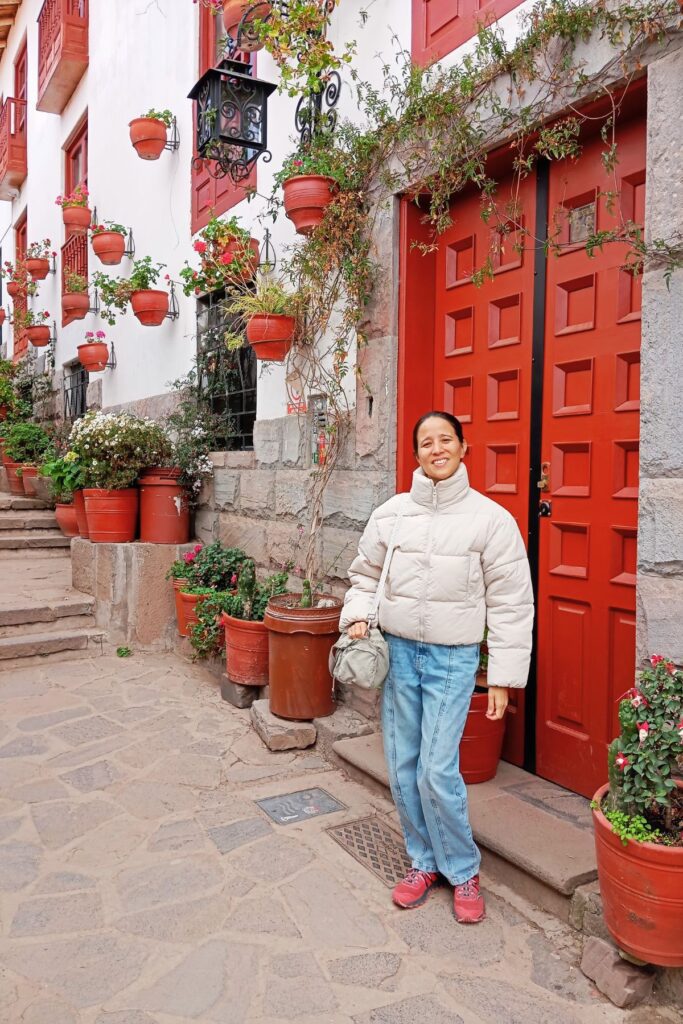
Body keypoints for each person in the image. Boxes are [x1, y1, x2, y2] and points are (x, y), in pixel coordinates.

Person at [339, 411, 534, 923]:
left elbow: (512, 602)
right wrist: (359, 617)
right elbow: (364, 575)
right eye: (426, 442)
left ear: (464, 447)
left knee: (436, 768)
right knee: (402, 764)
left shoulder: (491, 519)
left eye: (446, 439)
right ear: (416, 454)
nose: (436, 448)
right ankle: (423, 862)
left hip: (454, 658)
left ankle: (463, 869)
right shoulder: (392, 513)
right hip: (399, 653)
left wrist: (503, 678)